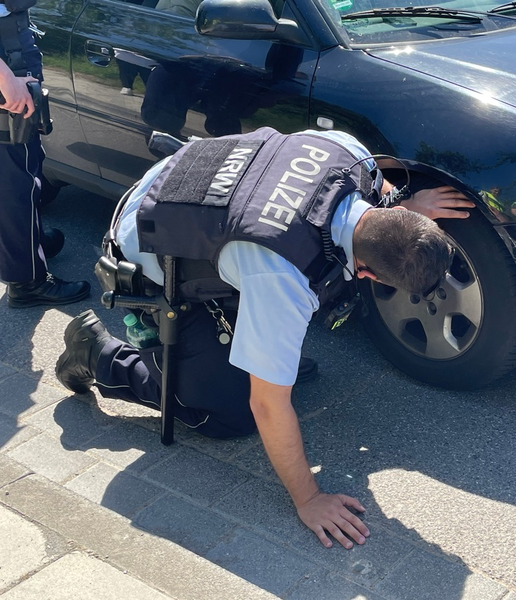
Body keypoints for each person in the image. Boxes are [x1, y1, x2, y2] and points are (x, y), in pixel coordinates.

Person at [55, 126, 474, 548]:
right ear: (366, 272)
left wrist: (411, 208)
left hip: (193, 183)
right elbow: (268, 406)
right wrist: (309, 498)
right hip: (152, 243)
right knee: (232, 415)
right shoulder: (281, 275)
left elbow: (376, 194)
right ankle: (101, 357)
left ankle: (261, 355)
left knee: (285, 322)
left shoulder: (350, 154)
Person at [0, 0, 90, 307]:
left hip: (13, 67)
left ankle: (28, 244)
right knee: (16, 184)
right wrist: (7, 81)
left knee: (26, 167)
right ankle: (27, 281)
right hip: (7, 79)